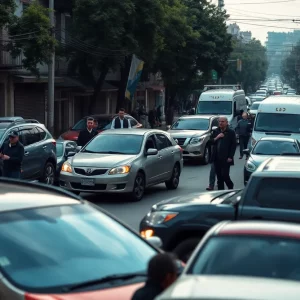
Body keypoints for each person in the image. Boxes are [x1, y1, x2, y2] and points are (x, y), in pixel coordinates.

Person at [210, 116, 236, 190]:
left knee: (225, 175)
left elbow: (233, 145)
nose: (220, 123)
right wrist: (217, 137)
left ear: (227, 123)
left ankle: (230, 186)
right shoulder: (216, 131)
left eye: (222, 121)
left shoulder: (231, 132)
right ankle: (221, 193)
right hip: (216, 158)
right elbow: (210, 141)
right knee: (219, 177)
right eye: (219, 121)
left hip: (226, 158)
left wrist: (230, 156)